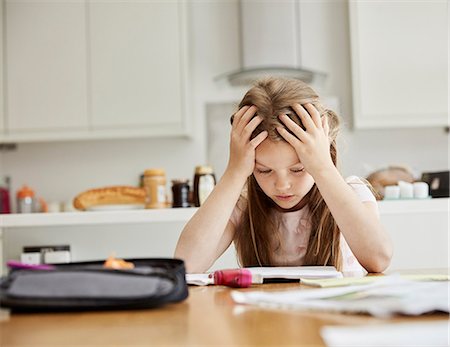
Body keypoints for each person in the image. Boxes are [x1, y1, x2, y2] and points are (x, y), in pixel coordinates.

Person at [175, 77, 393, 273]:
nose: (282, 185)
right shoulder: (243, 206)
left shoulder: (352, 193)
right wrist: (234, 171)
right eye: (264, 170)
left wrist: (323, 168)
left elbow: (379, 259)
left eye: (298, 169)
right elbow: (187, 264)